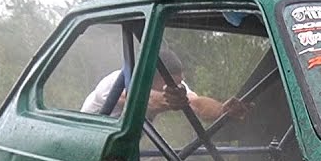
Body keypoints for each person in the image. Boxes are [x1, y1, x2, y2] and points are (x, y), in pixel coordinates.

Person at [80, 48, 247, 124]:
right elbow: (144, 100)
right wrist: (173, 102)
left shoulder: (176, 86)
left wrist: (222, 110)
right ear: (153, 79)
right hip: (87, 143)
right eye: (173, 83)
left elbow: (196, 103)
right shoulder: (113, 83)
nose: (179, 86)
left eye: (180, 81)